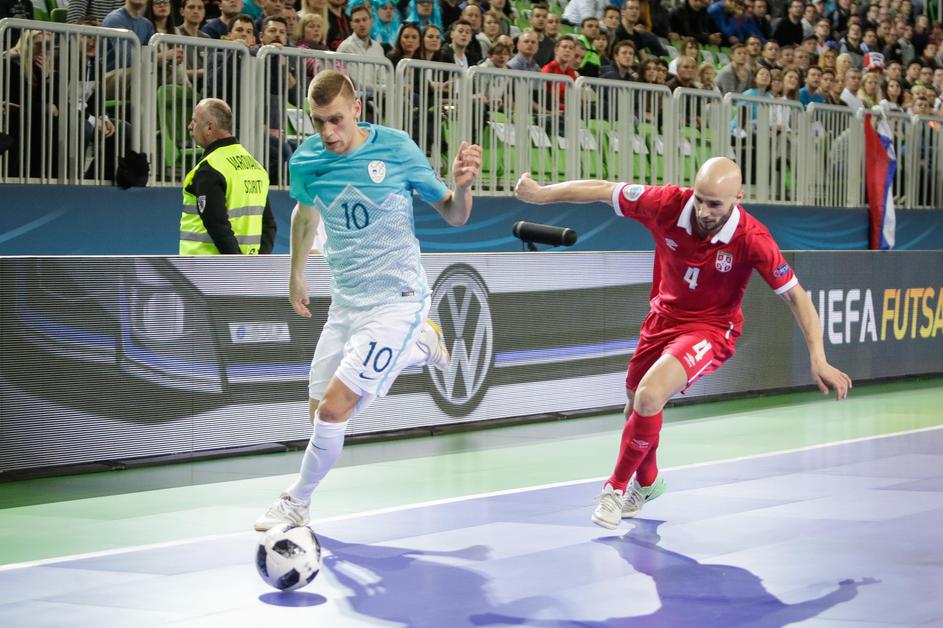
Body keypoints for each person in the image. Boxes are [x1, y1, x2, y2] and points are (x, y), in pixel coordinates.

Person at [513, 157, 852, 529]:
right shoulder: (667, 204)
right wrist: (542, 194)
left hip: (711, 329)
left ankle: (614, 490)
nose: (704, 211)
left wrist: (818, 357)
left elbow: (795, 296)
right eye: (700, 199)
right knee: (635, 409)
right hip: (662, 319)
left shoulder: (752, 238)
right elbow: (603, 189)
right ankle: (648, 482)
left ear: (738, 197)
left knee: (648, 396)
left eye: (715, 204)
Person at [254, 70, 482, 531]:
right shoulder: (307, 160)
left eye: (336, 119)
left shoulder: (396, 149)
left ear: (356, 109)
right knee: (320, 416)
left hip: (397, 300)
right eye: (318, 122)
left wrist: (461, 187)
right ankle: (420, 344)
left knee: (335, 408)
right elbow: (304, 214)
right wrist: (296, 273)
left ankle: (296, 501)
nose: (327, 132)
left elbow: (454, 215)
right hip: (346, 304)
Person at [179, 98, 276, 254]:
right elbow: (269, 224)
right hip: (247, 265)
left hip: (204, 265)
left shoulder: (210, 169)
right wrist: (258, 263)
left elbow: (217, 226)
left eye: (194, 121)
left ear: (209, 127)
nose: (190, 126)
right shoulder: (256, 167)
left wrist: (236, 264)